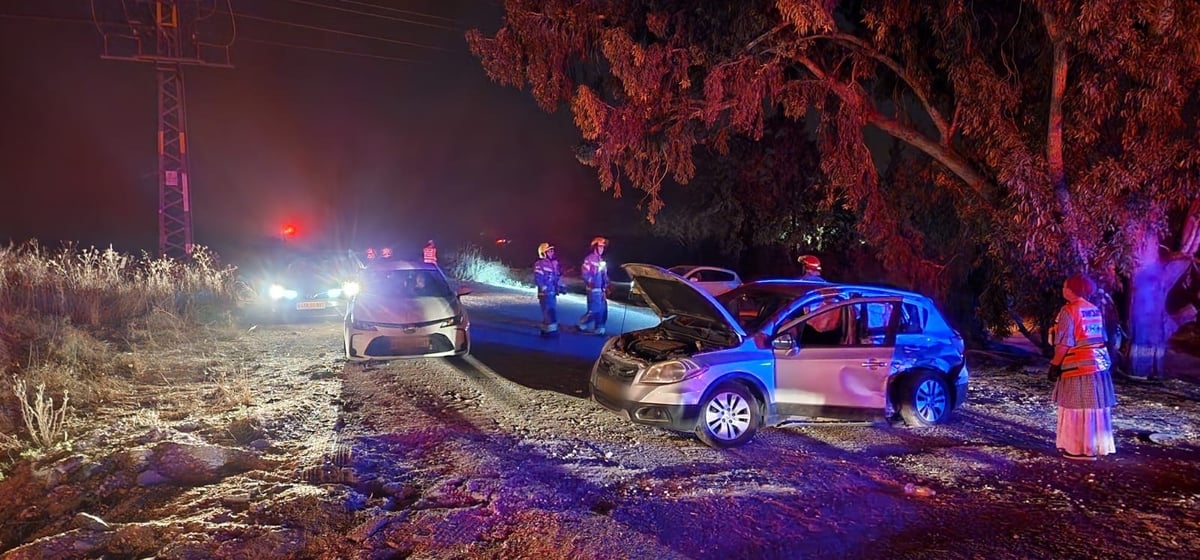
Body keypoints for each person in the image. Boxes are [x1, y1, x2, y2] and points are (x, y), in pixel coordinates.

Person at [1046, 272, 1117, 461]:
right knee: (1094, 408)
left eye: (1064, 286)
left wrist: (1054, 365)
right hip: (1098, 367)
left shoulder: (1068, 311)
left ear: (1071, 290)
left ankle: (1078, 449)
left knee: (1075, 408)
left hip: (1077, 368)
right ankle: (1093, 447)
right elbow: (1101, 338)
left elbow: (1064, 343)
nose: (1063, 289)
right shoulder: (1093, 309)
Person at [577, 236, 610, 334]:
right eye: (600, 246)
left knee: (603, 310)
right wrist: (590, 281)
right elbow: (585, 273)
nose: (602, 249)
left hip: (601, 289)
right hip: (593, 289)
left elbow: (604, 275)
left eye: (603, 247)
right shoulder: (589, 259)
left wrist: (608, 284)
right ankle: (582, 323)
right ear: (595, 247)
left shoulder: (602, 261)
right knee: (595, 310)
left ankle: (599, 327)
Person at [533, 242, 565, 334]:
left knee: (550, 312)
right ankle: (549, 333)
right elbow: (538, 278)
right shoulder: (540, 264)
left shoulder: (553, 264)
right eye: (549, 251)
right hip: (545, 294)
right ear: (543, 253)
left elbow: (556, 279)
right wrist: (543, 287)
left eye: (552, 250)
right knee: (549, 313)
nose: (552, 252)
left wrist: (560, 287)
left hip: (552, 293)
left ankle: (546, 331)